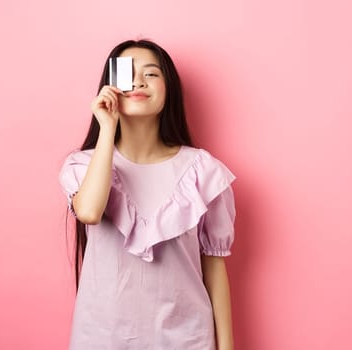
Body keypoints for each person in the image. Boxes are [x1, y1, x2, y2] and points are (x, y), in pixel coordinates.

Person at [58, 39, 236, 349]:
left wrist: (227, 347)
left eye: (152, 74)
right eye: (127, 73)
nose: (139, 81)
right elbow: (89, 211)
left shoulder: (202, 170)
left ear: (169, 90)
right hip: (101, 337)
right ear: (109, 87)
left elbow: (214, 267)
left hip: (187, 338)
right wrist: (107, 127)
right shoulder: (82, 164)